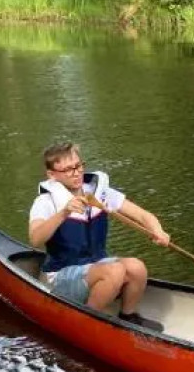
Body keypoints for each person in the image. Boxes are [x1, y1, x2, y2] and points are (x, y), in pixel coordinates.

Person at [28, 141, 170, 330]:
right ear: (52, 175)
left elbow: (143, 215)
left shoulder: (98, 193)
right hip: (60, 276)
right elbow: (35, 239)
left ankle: (128, 317)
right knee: (115, 271)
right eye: (68, 170)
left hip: (95, 267)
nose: (77, 172)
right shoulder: (45, 201)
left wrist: (157, 230)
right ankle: (86, 324)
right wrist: (64, 213)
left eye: (78, 165)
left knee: (137, 268)